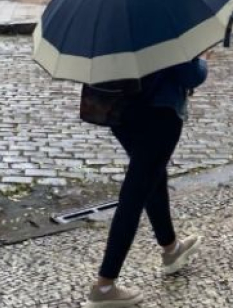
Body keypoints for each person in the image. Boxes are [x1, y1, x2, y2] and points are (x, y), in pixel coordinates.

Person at [85, 55, 209, 308]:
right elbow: (191, 75)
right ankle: (105, 285)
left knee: (152, 176)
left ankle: (171, 248)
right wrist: (203, 59)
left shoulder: (112, 20)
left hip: (120, 110)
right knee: (136, 192)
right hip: (159, 113)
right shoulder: (164, 16)